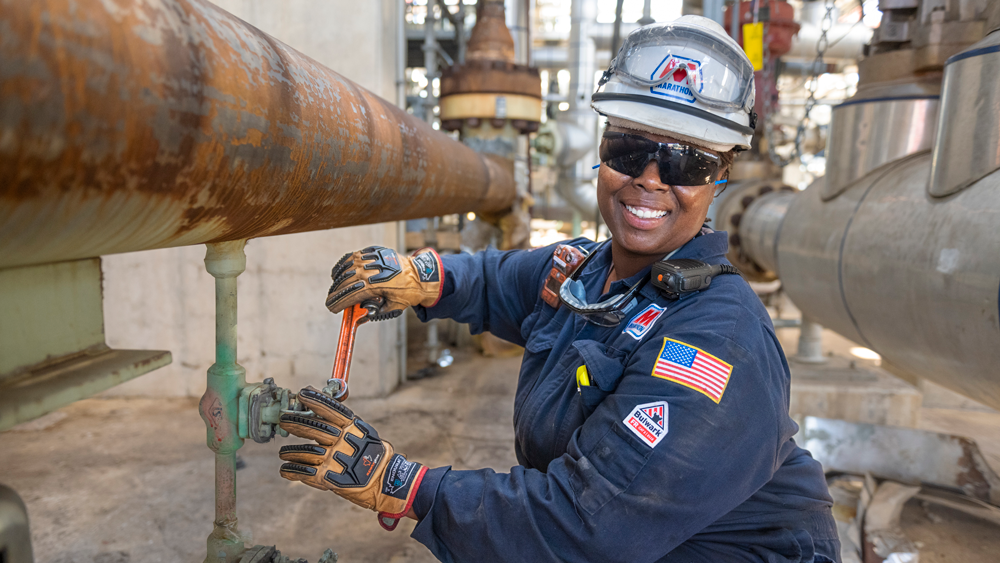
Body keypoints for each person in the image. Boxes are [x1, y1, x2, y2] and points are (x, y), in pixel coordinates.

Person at [275, 15, 841, 563]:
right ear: (601, 151)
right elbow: (501, 280)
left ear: (720, 177)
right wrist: (424, 277)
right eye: (628, 150)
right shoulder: (590, 273)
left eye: (685, 162)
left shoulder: (717, 343)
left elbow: (587, 526)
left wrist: (401, 483)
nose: (649, 178)